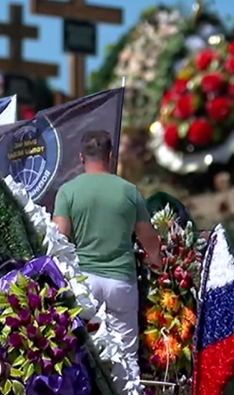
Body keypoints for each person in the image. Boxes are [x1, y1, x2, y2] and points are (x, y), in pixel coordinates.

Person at [52, 130, 162, 393]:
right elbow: (151, 241)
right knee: (127, 357)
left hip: (84, 284)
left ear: (81, 158)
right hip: (120, 281)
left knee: (85, 356)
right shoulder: (129, 191)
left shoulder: (68, 192)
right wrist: (156, 263)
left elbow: (59, 238)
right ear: (110, 156)